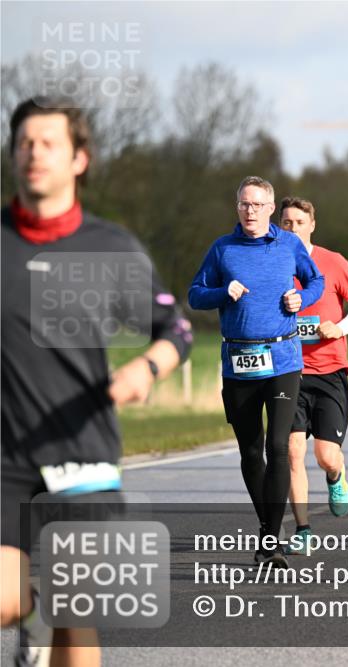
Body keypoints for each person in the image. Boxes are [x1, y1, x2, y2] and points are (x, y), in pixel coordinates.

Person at [2, 98, 192, 666]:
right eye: (25, 142)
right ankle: (29, 608)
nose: (34, 153)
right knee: (8, 599)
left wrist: (147, 367)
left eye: (49, 143)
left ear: (79, 158)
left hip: (81, 451)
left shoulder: (110, 248)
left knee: (77, 608)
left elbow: (176, 328)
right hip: (4, 455)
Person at [189, 176, 325, 565]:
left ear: (270, 210)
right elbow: (194, 294)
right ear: (238, 208)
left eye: (258, 205)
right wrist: (222, 292)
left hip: (283, 359)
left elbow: (316, 280)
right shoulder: (222, 249)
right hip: (239, 361)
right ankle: (268, 527)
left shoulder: (289, 245)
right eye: (244, 205)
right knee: (250, 451)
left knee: (278, 446)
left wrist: (302, 298)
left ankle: (270, 538)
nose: (250, 211)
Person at [278, 197, 348, 552]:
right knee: (291, 451)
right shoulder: (274, 264)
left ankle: (336, 475)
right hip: (288, 372)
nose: (292, 228)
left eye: (299, 222)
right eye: (286, 222)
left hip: (329, 371)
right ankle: (302, 531)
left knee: (326, 456)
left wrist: (340, 327)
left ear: (312, 225)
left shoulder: (333, 261)